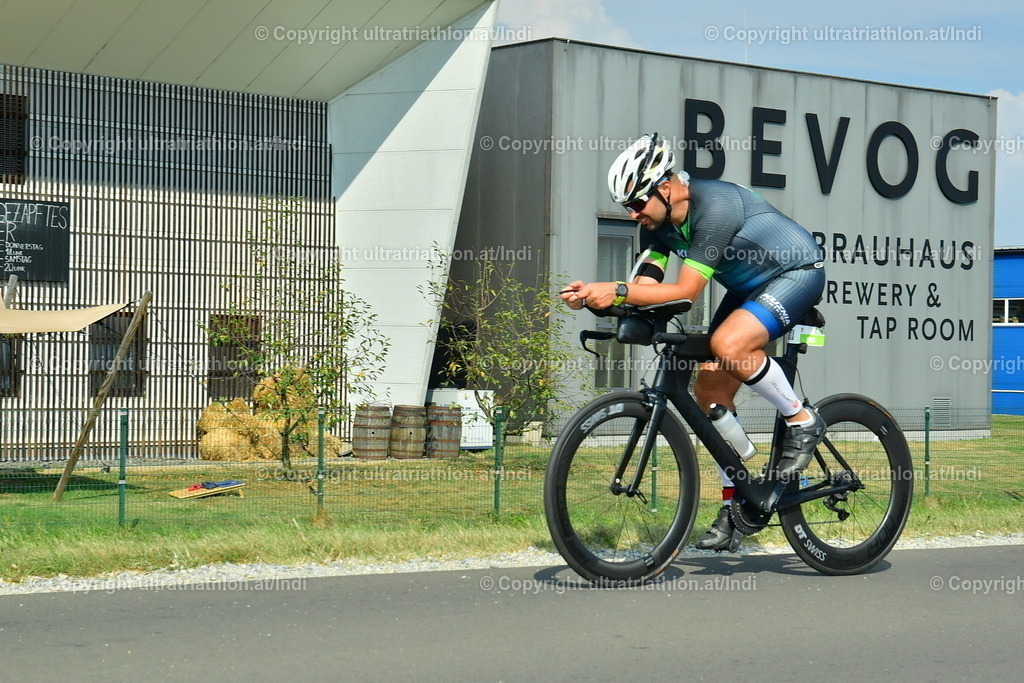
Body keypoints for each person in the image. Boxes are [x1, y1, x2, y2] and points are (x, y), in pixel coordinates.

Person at [561, 132, 826, 552]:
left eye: (636, 203)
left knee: (729, 346)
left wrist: (617, 289)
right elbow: (643, 286)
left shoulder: (714, 208)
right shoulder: (660, 225)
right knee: (709, 389)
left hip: (795, 273)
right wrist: (597, 301)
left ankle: (801, 420)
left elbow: (685, 292)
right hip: (748, 288)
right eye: (626, 207)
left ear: (665, 188)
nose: (632, 215)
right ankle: (739, 501)